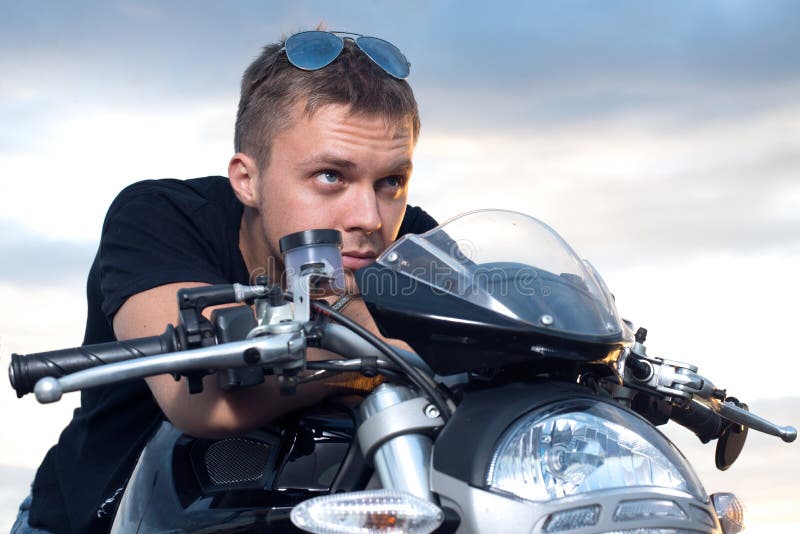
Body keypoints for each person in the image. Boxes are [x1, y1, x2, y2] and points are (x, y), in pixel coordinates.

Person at [13, 30, 437, 534]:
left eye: (390, 182)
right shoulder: (161, 216)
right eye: (330, 176)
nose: (369, 216)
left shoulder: (416, 244)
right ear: (247, 180)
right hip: (106, 518)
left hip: (313, 508)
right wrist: (385, 345)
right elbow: (202, 400)